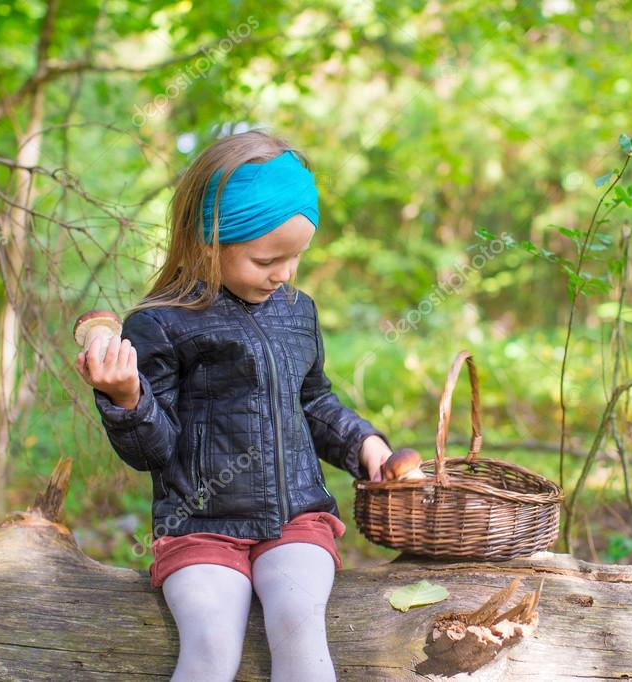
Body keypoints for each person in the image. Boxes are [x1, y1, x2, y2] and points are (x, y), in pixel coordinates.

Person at [73, 129, 394, 681]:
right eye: (267, 258)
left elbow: (313, 401)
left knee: (299, 620)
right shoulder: (160, 323)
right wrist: (127, 399)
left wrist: (362, 441)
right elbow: (155, 450)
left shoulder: (296, 313)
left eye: (296, 257)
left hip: (294, 520)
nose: (285, 274)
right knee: (212, 635)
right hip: (199, 524)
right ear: (207, 242)